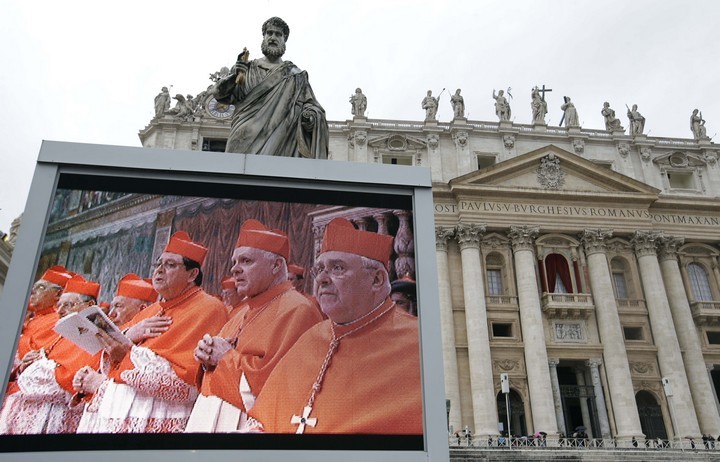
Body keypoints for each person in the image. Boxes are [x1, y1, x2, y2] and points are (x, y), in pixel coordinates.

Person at [247, 217, 422, 434]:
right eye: (319, 269)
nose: (322, 278)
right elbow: (264, 418)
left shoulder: (418, 347)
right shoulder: (310, 338)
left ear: (376, 280)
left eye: (337, 268)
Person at [76, 231, 227, 433]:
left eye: (170, 265)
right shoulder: (151, 311)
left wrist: (127, 355)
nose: (159, 271)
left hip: (160, 417)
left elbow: (184, 384)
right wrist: (130, 334)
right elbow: (114, 361)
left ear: (192, 274)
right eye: (158, 264)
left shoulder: (209, 309)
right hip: (121, 413)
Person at [185, 219, 323, 432]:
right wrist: (206, 357)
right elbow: (217, 367)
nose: (235, 269)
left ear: (276, 266)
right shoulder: (243, 310)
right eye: (234, 262)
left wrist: (224, 357)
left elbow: (280, 389)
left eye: (246, 261)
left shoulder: (299, 310)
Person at [214, 17, 328, 158]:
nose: (273, 37)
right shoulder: (245, 68)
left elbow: (311, 105)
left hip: (279, 140)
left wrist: (310, 116)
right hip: (242, 137)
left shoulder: (296, 75)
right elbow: (220, 95)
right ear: (264, 36)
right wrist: (233, 76)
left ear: (284, 39)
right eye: (270, 33)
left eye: (278, 34)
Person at [0, 275, 100, 434]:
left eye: (68, 305)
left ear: (89, 305)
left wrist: (40, 367)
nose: (59, 311)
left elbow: (67, 381)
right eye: (59, 306)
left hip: (52, 419)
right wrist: (24, 367)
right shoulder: (62, 333)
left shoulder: (94, 337)